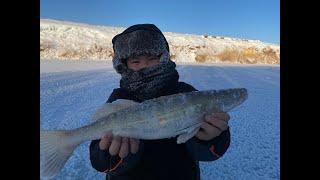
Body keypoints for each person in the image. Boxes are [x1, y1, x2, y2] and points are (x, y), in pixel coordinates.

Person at [89, 24, 231, 180]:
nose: (145, 66)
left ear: (164, 58)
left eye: (152, 58)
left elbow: (210, 152)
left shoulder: (186, 94)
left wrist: (212, 137)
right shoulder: (119, 98)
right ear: (124, 65)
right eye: (136, 61)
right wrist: (112, 154)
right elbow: (100, 161)